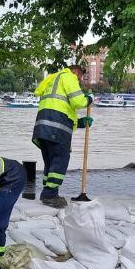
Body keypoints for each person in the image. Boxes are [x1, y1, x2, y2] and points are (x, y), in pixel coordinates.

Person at [32, 64, 93, 208]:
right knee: (60, 158)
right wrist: (89, 99)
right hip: (55, 128)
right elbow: (78, 102)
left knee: (51, 161)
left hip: (43, 129)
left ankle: (48, 192)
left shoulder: (52, 81)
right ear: (76, 73)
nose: (79, 82)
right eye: (80, 78)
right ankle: (50, 195)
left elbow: (60, 110)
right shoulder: (69, 77)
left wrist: (80, 123)